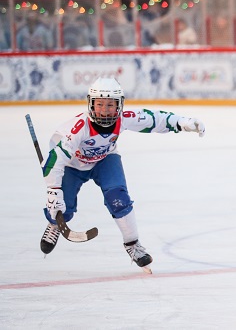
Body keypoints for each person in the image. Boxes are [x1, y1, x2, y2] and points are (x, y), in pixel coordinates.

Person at [39, 77, 206, 271]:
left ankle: (133, 244)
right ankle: (54, 224)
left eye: (110, 105)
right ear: (91, 104)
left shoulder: (124, 118)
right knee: (62, 207)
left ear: (119, 105)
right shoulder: (77, 129)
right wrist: (53, 191)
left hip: (104, 159)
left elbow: (153, 119)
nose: (105, 110)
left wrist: (181, 123)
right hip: (72, 166)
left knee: (118, 198)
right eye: (100, 104)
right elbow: (54, 160)